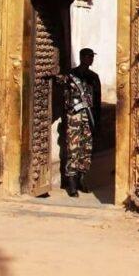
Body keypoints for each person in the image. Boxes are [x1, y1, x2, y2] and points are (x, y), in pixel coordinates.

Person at [57, 48, 101, 196]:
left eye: (92, 57)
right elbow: (59, 83)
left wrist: (97, 121)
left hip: (88, 117)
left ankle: (82, 179)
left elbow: (97, 100)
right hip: (74, 116)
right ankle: (72, 183)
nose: (91, 59)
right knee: (73, 148)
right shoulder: (71, 76)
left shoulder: (94, 77)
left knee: (86, 150)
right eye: (89, 56)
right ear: (82, 57)